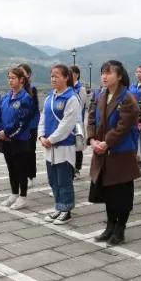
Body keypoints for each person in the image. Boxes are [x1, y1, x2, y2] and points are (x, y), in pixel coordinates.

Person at [87, 61, 141, 245]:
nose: (104, 76)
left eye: (109, 73)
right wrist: (92, 139)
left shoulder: (127, 98)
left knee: (122, 195)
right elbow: (91, 118)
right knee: (108, 193)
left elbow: (123, 127)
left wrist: (106, 142)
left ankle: (120, 230)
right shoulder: (100, 94)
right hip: (102, 152)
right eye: (103, 72)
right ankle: (110, 227)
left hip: (120, 154)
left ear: (119, 76)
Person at [39, 64, 82, 223]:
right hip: (49, 146)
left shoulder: (71, 98)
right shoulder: (50, 97)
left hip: (64, 146)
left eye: (57, 76)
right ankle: (58, 206)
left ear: (66, 77)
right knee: (53, 180)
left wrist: (51, 139)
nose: (53, 79)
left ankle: (66, 210)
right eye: (52, 76)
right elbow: (42, 119)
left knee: (64, 180)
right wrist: (41, 136)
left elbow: (67, 125)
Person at [0, 67, 37, 209]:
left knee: (21, 169)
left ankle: (23, 196)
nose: (10, 80)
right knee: (11, 168)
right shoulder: (6, 97)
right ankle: (13, 193)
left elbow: (22, 121)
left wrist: (8, 134)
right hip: (5, 139)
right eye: (9, 78)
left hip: (19, 140)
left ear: (21, 80)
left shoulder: (26, 98)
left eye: (13, 78)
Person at [19, 63, 40, 183]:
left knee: (30, 151)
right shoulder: (15, 90)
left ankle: (31, 175)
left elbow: (35, 109)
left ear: (29, 74)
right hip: (18, 127)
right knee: (19, 152)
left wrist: (31, 124)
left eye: (23, 72)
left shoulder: (32, 90)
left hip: (31, 127)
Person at [71, 65, 90, 178]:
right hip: (69, 122)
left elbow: (81, 105)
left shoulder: (80, 88)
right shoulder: (68, 87)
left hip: (78, 121)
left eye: (72, 73)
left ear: (77, 74)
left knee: (78, 146)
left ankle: (77, 168)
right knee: (70, 145)